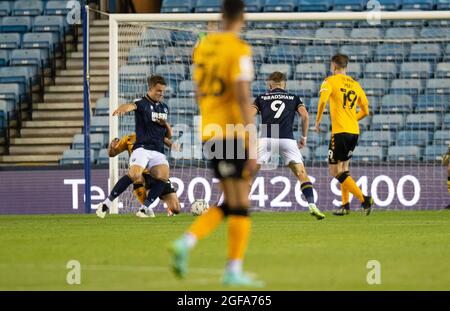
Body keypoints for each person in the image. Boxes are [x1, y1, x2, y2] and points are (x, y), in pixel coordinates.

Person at [169, 0, 263, 287]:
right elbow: (243, 97)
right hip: (231, 133)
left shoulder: (203, 50)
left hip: (209, 132)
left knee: (233, 202)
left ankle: (188, 244)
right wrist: (253, 141)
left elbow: (199, 92)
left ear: (221, 16)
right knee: (241, 203)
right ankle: (230, 268)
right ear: (242, 17)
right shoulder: (240, 50)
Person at [95, 75, 172, 218]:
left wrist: (165, 125)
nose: (161, 94)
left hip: (158, 150)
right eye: (158, 90)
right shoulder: (142, 103)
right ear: (150, 88)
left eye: (163, 91)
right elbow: (131, 105)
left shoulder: (164, 108)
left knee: (163, 176)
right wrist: (123, 109)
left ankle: (144, 209)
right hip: (142, 148)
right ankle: (106, 203)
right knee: (135, 174)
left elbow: (168, 135)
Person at [251, 71, 325, 220]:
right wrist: (303, 137)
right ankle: (312, 205)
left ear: (269, 84)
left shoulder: (261, 97)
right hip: (287, 139)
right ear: (284, 84)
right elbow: (304, 116)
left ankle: (232, 207)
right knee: (301, 174)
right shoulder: (293, 97)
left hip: (266, 139)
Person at [314, 54, 374, 216]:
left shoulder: (330, 81)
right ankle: (345, 205)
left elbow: (322, 101)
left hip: (340, 132)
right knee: (344, 169)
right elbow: (366, 111)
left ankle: (364, 199)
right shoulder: (356, 85)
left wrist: (317, 121)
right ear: (345, 66)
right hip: (354, 132)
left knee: (335, 171)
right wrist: (352, 119)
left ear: (334, 66)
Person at [107, 134, 181, 217]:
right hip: (141, 173)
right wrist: (111, 147)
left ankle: (166, 204)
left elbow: (169, 143)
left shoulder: (155, 134)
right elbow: (112, 154)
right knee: (136, 177)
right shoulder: (129, 139)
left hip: (157, 173)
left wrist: (174, 146)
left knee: (176, 209)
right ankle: (146, 209)